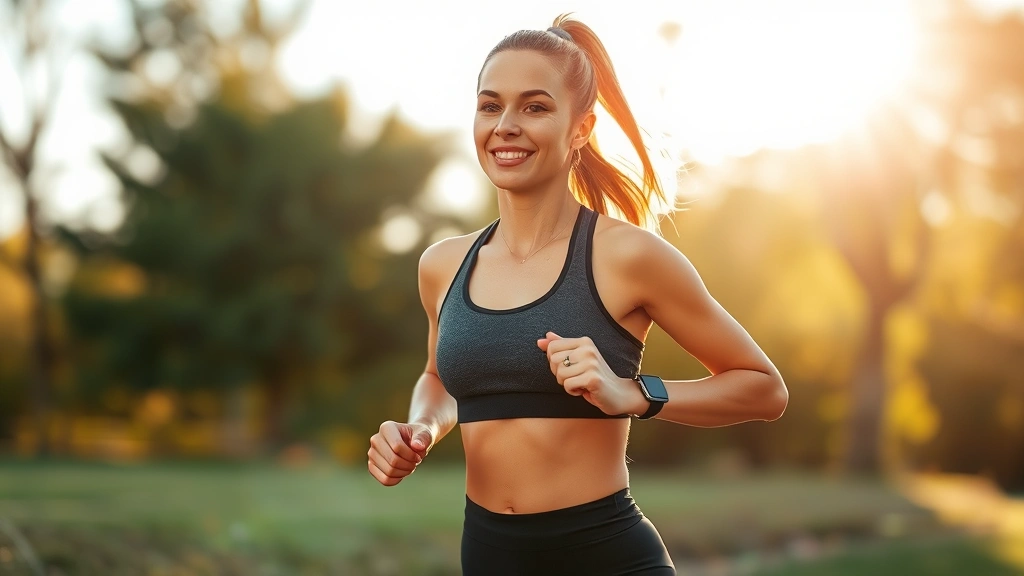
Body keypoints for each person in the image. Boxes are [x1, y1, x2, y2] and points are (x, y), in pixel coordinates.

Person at [367, 14, 788, 576]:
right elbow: (440, 378)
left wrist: (634, 394)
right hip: (489, 558)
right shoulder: (442, 265)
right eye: (490, 106)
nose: (506, 125)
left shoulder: (628, 257)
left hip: (606, 556)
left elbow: (764, 390)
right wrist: (420, 427)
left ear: (582, 128)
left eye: (535, 107)